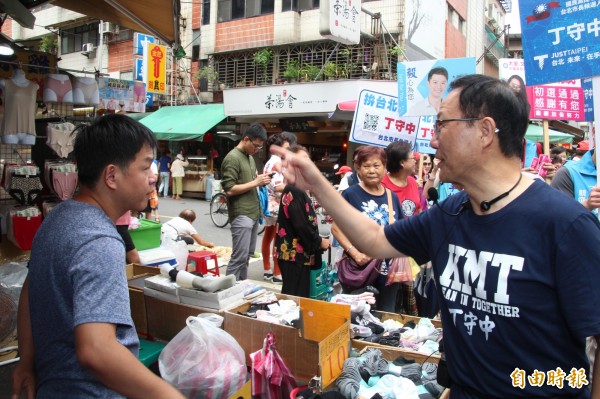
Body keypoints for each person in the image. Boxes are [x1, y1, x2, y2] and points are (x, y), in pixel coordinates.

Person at [271, 74, 600, 398]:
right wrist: (314, 180)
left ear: (485, 131)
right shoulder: (450, 212)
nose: (432, 140)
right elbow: (373, 239)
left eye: (442, 124)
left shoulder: (566, 226)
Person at [11, 114, 184, 399]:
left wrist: (26, 361)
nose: (152, 178)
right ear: (112, 176)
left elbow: (32, 288)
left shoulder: (59, 217)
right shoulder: (100, 240)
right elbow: (97, 350)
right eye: (145, 167)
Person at [331, 145, 403, 312]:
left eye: (377, 166)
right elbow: (336, 228)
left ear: (385, 168)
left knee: (386, 314)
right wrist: (356, 255)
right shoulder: (350, 194)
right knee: (358, 314)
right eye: (366, 166)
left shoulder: (392, 197)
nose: (372, 171)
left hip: (388, 270)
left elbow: (400, 229)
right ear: (358, 168)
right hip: (359, 270)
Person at [275, 144, 329, 297]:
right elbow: (301, 225)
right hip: (293, 256)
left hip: (298, 256)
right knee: (294, 299)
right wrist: (319, 242)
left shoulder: (299, 187)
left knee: (298, 297)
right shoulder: (294, 189)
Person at [221, 123, 271, 280]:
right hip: (241, 213)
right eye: (256, 146)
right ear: (246, 139)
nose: (257, 150)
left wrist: (260, 181)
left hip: (253, 212)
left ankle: (241, 288)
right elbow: (229, 189)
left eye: (259, 148)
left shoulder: (249, 158)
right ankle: (227, 292)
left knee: (247, 255)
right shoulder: (232, 158)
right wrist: (256, 182)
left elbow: (251, 183)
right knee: (239, 257)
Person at [261, 131, 297, 283]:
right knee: (278, 239)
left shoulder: (271, 161)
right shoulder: (277, 162)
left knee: (268, 236)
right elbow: (276, 186)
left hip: (269, 204)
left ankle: (267, 269)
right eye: (287, 146)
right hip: (276, 205)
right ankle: (277, 273)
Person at [382, 141, 422, 217]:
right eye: (413, 158)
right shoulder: (382, 185)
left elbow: (418, 209)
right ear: (402, 162)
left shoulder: (412, 181)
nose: (415, 161)